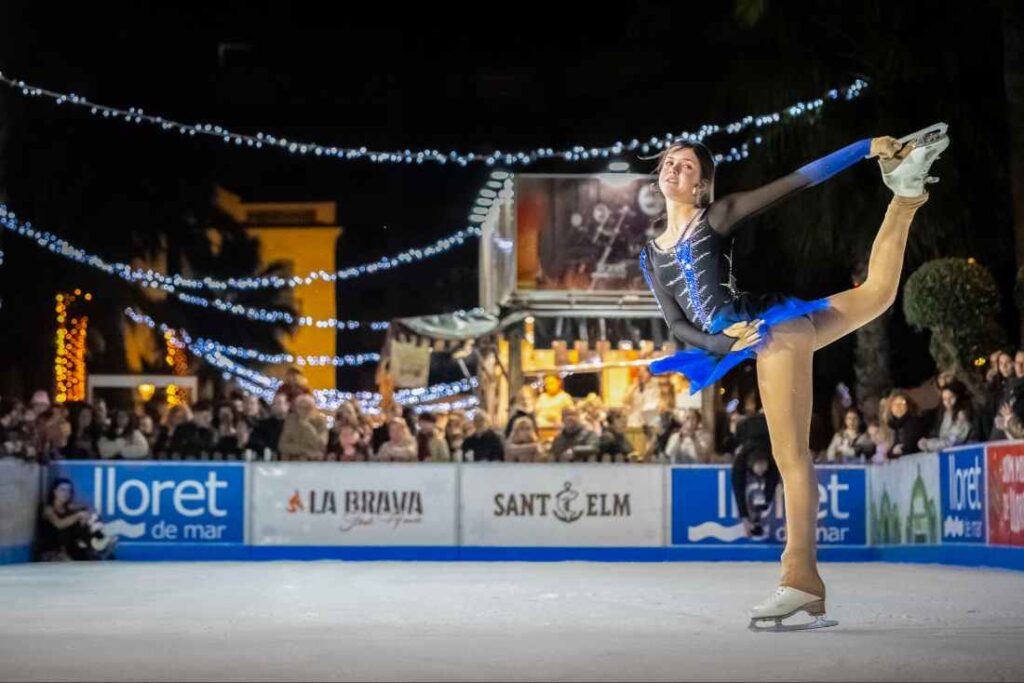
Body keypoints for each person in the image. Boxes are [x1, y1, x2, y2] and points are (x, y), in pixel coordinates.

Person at [638, 124, 948, 628]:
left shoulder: (715, 217)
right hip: (759, 334)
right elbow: (676, 324)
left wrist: (864, 146)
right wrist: (722, 343)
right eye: (669, 162)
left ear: (700, 185)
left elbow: (797, 181)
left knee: (790, 455)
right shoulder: (651, 257)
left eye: (687, 165)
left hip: (771, 332)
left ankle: (801, 580)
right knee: (876, 295)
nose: (674, 167)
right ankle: (908, 194)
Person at [37, 478, 114, 561]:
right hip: (53, 551)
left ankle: (99, 542)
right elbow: (59, 524)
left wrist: (88, 515)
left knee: (86, 519)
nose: (66, 493)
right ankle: (96, 546)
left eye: (68, 491)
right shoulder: (48, 509)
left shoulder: (69, 507)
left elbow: (88, 506)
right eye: (62, 490)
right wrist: (78, 515)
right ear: (54, 491)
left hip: (70, 547)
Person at [918, 380, 973, 452]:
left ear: (958, 397)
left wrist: (928, 444)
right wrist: (927, 441)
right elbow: (942, 438)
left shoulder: (962, 415)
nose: (948, 402)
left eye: (951, 398)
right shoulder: (945, 414)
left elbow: (952, 442)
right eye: (944, 399)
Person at [277, 395, 328, 461]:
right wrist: (305, 450)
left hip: (313, 463)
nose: (304, 411)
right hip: (291, 461)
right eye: (300, 407)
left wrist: (307, 426)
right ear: (296, 408)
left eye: (307, 408)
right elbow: (282, 445)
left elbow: (321, 445)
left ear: (313, 408)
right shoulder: (291, 420)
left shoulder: (320, 422)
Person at [887, 391, 926, 459]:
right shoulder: (895, 425)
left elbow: (910, 446)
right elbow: (891, 451)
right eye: (894, 404)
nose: (898, 407)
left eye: (902, 403)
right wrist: (892, 452)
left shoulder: (914, 423)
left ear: (908, 405)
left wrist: (897, 451)